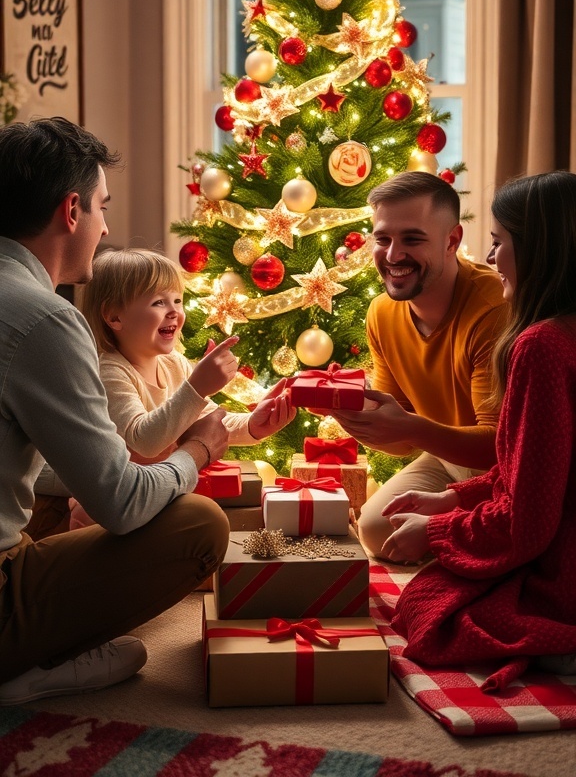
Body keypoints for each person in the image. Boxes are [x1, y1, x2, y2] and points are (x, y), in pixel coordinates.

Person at [0, 117, 278, 705]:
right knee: (200, 523)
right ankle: (28, 663)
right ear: (71, 211)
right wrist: (197, 452)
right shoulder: (43, 318)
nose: (105, 227)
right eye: (102, 207)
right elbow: (123, 505)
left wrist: (238, 426)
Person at [380, 171, 576, 690]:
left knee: (424, 609)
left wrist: (440, 530)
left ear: (538, 249)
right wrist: (452, 499)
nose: (491, 259)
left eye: (499, 242)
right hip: (493, 488)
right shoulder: (384, 313)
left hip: (564, 559)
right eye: (383, 238)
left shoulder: (540, 345)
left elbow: (529, 515)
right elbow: (535, 469)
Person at [318, 171, 509, 560]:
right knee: (374, 529)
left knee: (417, 539)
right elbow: (403, 443)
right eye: (383, 239)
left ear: (451, 240)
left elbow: (496, 447)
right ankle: (461, 536)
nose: (392, 256)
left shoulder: (492, 309)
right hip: (445, 458)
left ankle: (473, 536)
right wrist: (354, 416)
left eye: (412, 239)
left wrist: (408, 426)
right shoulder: (382, 313)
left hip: (498, 473)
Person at [69, 248, 295, 528]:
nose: (175, 311)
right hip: (119, 505)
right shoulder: (111, 372)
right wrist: (197, 387)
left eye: (178, 300)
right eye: (158, 303)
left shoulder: (174, 363)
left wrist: (253, 425)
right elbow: (146, 441)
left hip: (163, 491)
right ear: (115, 317)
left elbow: (206, 420)